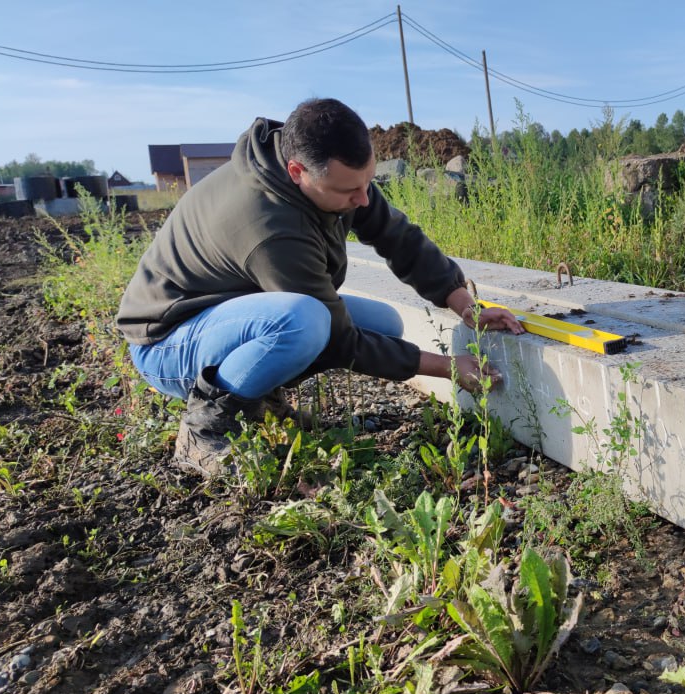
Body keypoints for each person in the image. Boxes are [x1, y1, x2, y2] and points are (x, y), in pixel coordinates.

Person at [116, 97, 522, 477]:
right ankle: (204, 426)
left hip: (228, 315)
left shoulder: (331, 175)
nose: (363, 199)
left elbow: (396, 235)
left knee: (384, 322)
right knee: (304, 322)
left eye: (367, 183)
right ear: (298, 172)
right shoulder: (268, 225)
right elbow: (341, 341)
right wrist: (448, 368)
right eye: (349, 191)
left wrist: (467, 305)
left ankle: (260, 400)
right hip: (167, 342)